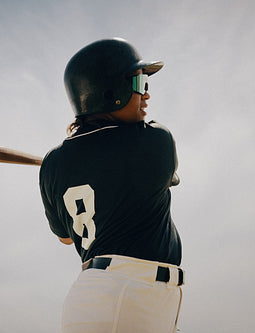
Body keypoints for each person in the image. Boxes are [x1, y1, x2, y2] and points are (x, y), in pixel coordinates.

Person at [39, 38, 184, 333]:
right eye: (139, 82)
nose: (147, 94)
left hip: (115, 296)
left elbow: (67, 238)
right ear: (110, 92)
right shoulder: (155, 141)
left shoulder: (52, 164)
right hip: (127, 295)